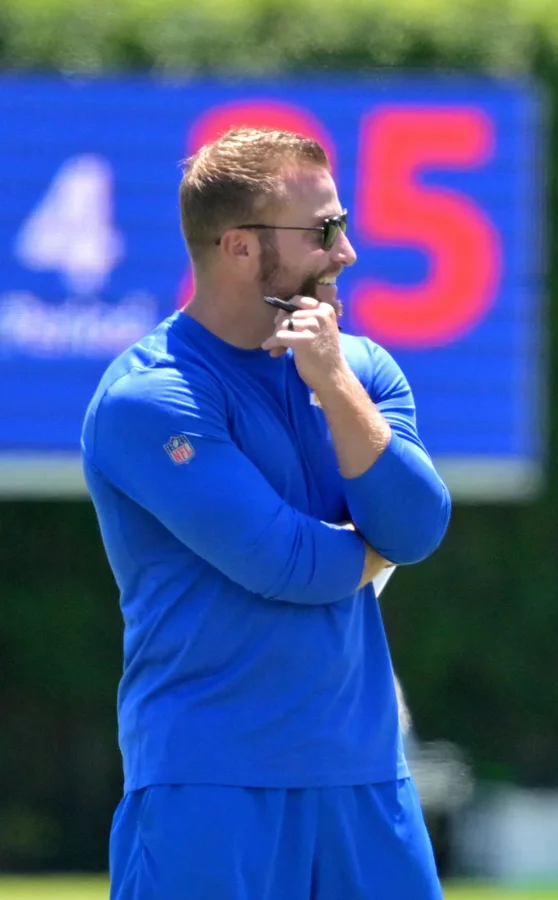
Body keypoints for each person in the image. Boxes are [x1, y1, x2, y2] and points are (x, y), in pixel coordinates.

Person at [81, 126, 452, 899]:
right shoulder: (149, 397)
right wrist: (375, 548)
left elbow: (418, 526)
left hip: (366, 780)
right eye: (323, 230)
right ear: (241, 247)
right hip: (209, 786)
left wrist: (333, 383)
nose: (346, 250)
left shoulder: (360, 368)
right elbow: (287, 563)